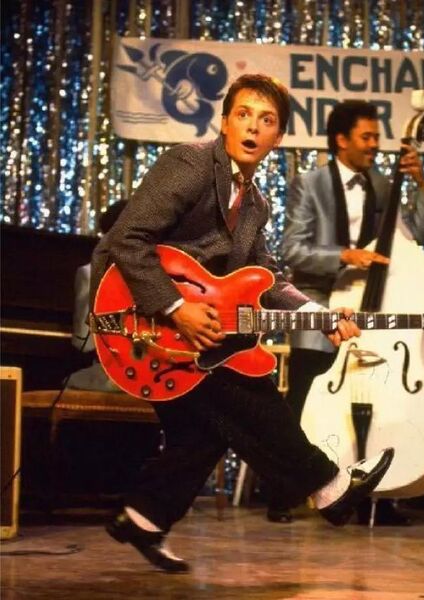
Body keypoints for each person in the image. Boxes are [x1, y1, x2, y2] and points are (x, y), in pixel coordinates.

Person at [89, 74, 394, 573]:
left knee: (204, 432)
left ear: (278, 136)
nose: (253, 127)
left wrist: (317, 314)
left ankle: (143, 517)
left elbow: (267, 276)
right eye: (244, 115)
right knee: (245, 386)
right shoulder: (190, 164)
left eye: (266, 120)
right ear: (225, 122)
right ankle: (329, 487)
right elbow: (126, 240)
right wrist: (175, 307)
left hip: (185, 327)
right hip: (134, 318)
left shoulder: (255, 203)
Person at [266, 99, 424, 525]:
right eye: (367, 137)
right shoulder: (309, 184)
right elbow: (292, 250)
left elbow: (416, 236)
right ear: (341, 140)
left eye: (378, 137)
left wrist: (421, 186)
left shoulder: (382, 184)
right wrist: (345, 255)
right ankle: (285, 493)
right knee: (304, 400)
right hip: (317, 306)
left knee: (379, 401)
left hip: (366, 310)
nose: (375, 145)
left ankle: (374, 497)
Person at [67, 200, 127, 391]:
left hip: (115, 374)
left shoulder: (90, 272)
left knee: (69, 383)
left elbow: (83, 343)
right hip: (157, 374)